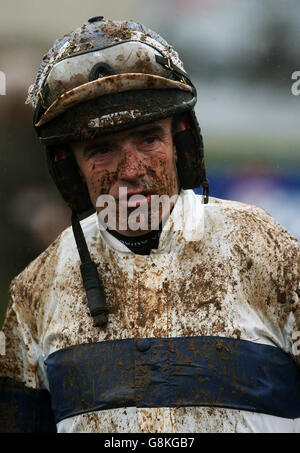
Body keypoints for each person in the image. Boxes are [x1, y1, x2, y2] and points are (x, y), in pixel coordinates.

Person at [0, 17, 299, 434]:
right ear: (69, 170)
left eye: (147, 138)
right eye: (100, 148)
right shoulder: (36, 291)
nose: (132, 170)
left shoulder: (266, 249)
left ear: (181, 143)